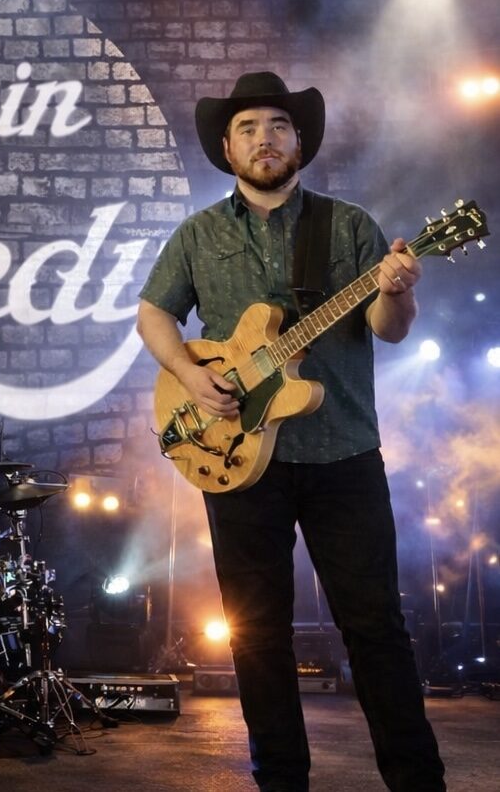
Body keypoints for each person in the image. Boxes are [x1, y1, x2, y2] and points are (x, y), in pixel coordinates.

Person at [137, 71, 445, 792]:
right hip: (238, 457)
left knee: (375, 627)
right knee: (256, 634)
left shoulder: (349, 226)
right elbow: (153, 314)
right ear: (227, 148)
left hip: (343, 451)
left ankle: (417, 781)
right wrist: (188, 374)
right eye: (247, 128)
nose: (264, 139)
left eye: (278, 125)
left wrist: (398, 293)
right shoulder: (199, 234)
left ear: (299, 142)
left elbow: (389, 330)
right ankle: (280, 781)